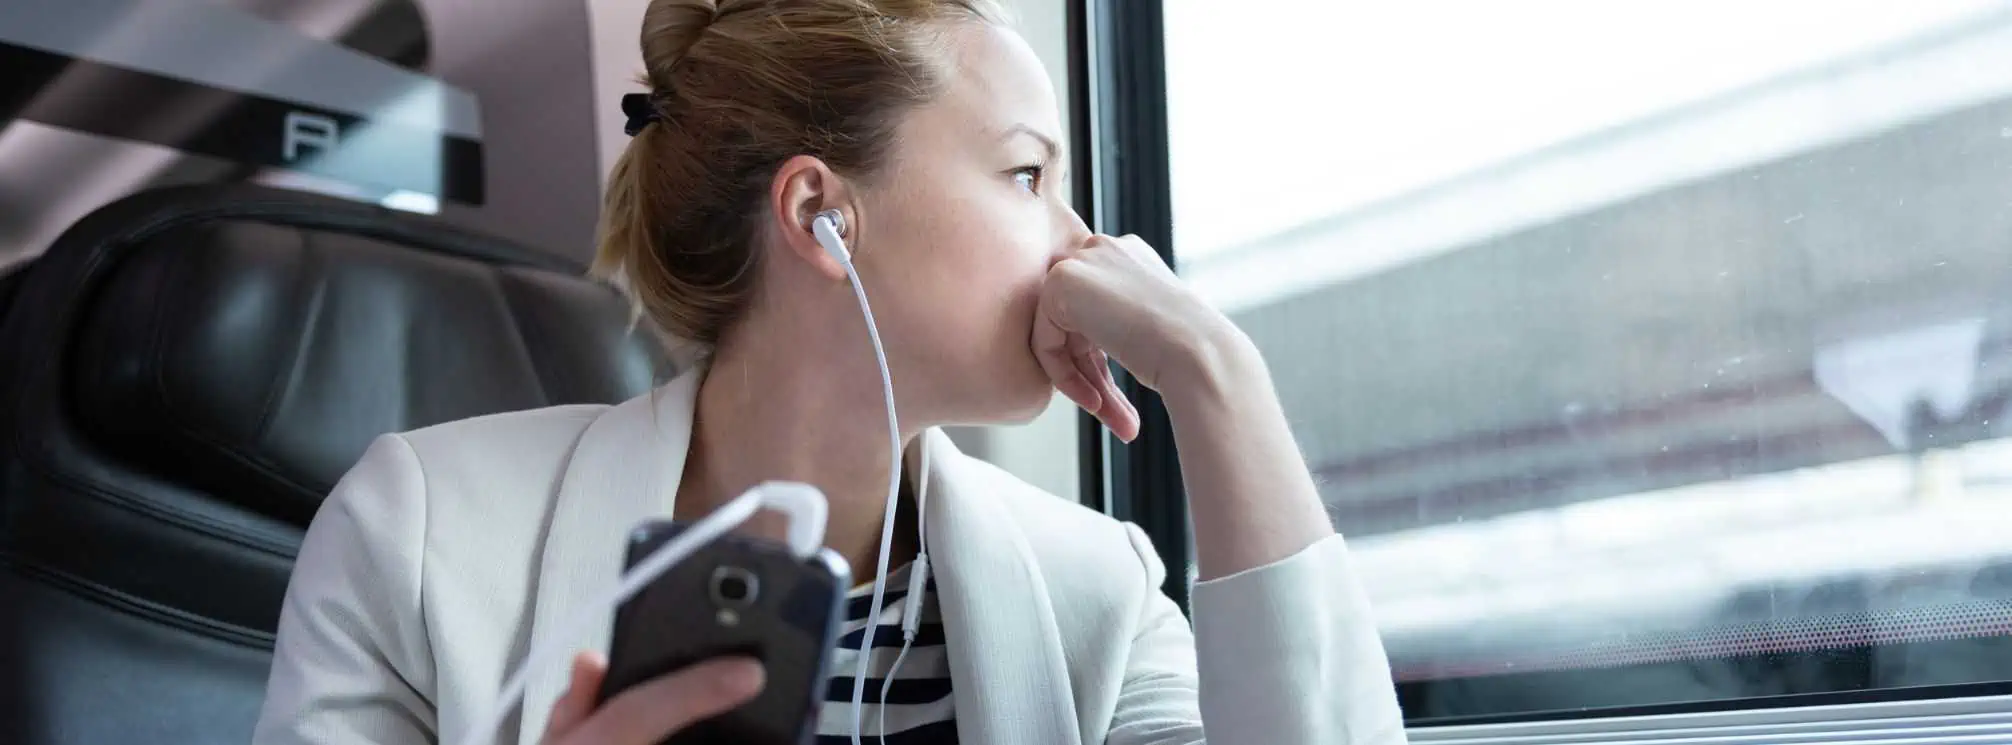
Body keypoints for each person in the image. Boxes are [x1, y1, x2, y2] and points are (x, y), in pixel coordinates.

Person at [251, 0, 1407, 743]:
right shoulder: (419, 532)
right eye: (1024, 176)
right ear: (821, 214)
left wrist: (1216, 377)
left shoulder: (1093, 589)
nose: (1083, 243)